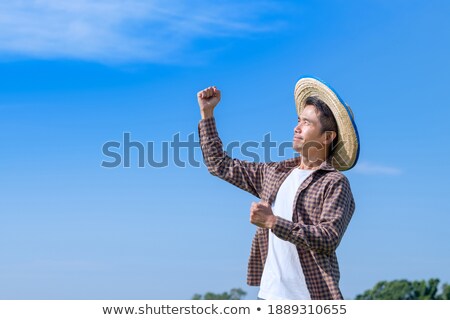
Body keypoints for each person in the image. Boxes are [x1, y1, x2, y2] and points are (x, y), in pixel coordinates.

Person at [197, 76, 360, 300]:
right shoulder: (275, 174)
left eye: (307, 123)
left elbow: (328, 238)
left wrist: (273, 222)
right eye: (298, 120)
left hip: (311, 298)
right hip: (269, 295)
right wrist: (207, 114)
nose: (296, 128)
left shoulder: (334, 183)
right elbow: (220, 165)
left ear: (328, 137)